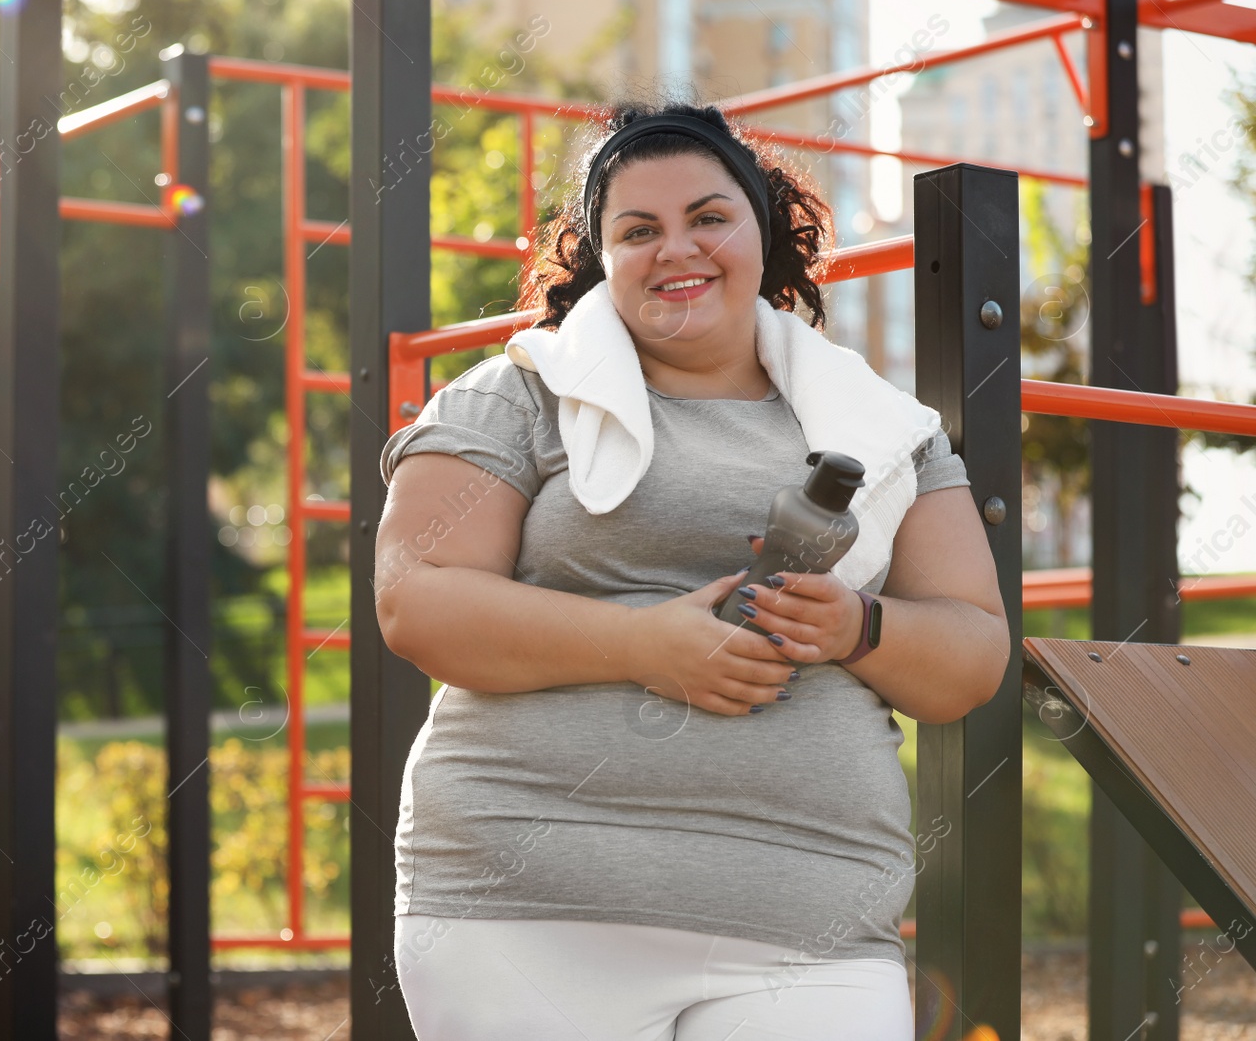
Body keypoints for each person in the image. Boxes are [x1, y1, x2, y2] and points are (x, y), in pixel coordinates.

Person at [373, 100, 1010, 1040]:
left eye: (709, 217)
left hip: (813, 921)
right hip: (525, 905)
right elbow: (413, 601)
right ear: (602, 258)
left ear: (763, 233)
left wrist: (857, 626)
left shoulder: (883, 427)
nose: (677, 249)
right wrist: (644, 645)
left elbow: (971, 652)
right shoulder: (518, 392)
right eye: (638, 231)